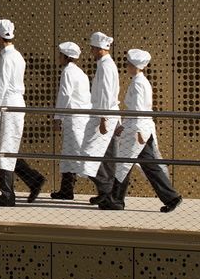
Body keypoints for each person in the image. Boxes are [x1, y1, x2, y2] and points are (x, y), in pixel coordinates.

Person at [98, 48, 183, 213]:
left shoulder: (137, 83)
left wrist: (127, 128)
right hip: (141, 128)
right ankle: (170, 197)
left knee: (124, 163)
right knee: (146, 165)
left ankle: (116, 200)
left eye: (128, 64)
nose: (126, 66)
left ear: (134, 65)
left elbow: (136, 110)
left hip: (137, 130)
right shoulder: (141, 81)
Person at [0, 18, 45, 205]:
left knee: (2, 150)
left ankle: (7, 195)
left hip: (7, 105)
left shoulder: (6, 58)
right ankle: (33, 179)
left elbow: (0, 85)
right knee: (9, 148)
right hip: (17, 104)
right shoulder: (17, 56)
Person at [49, 41, 96, 199]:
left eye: (59, 55)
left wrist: (57, 117)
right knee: (69, 154)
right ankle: (66, 190)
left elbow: (64, 96)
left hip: (74, 119)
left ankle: (105, 189)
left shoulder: (68, 72)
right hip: (78, 119)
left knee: (79, 154)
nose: (58, 58)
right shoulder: (80, 73)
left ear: (65, 56)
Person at [86, 31, 121, 205]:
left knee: (88, 154)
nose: (91, 51)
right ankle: (105, 192)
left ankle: (107, 189)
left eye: (92, 48)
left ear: (99, 49)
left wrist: (103, 119)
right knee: (105, 157)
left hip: (104, 116)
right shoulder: (105, 64)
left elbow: (107, 94)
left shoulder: (106, 66)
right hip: (106, 115)